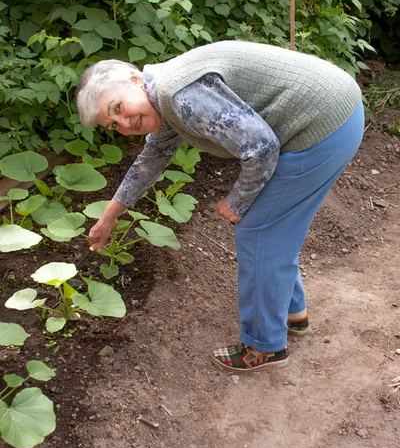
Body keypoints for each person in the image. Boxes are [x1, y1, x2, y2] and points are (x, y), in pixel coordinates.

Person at [76, 40, 364, 373]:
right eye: (113, 126)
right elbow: (150, 160)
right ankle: (292, 315)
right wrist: (108, 217)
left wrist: (236, 201)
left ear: (133, 78)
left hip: (321, 126)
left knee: (257, 231)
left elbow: (261, 147)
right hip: (337, 113)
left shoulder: (178, 94)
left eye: (116, 109)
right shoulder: (164, 100)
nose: (124, 125)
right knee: (275, 228)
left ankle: (264, 344)